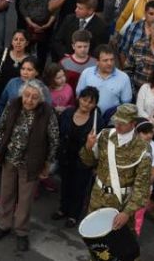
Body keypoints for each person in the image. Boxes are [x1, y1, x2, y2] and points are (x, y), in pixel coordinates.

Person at [0, 80, 58, 252]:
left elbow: (53, 140)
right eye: (26, 96)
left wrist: (47, 163)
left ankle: (21, 232)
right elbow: (1, 127)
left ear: (40, 99)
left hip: (31, 163)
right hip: (10, 157)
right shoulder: (13, 104)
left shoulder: (47, 112)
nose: (29, 100)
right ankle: (4, 225)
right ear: (22, 94)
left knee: (25, 200)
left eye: (34, 97)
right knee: (6, 194)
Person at [80, 104, 153, 234]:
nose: (118, 125)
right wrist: (88, 147)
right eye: (116, 121)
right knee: (93, 238)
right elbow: (88, 162)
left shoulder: (143, 149)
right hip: (98, 198)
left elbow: (142, 188)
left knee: (115, 241)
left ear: (133, 123)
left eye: (123, 123)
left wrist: (127, 213)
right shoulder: (105, 135)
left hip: (120, 204)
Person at [54, 86, 100, 228]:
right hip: (66, 156)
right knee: (65, 184)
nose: (86, 104)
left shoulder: (96, 120)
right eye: (84, 100)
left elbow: (99, 144)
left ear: (95, 104)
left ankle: (74, 215)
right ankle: (63, 209)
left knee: (79, 188)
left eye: (91, 102)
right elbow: (58, 132)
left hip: (83, 160)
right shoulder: (68, 113)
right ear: (79, 98)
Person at [76, 44, 132, 113]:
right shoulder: (86, 73)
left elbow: (126, 104)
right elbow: (79, 95)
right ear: (97, 61)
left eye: (112, 60)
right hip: (88, 116)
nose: (109, 63)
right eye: (105, 60)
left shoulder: (124, 78)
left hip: (112, 118)